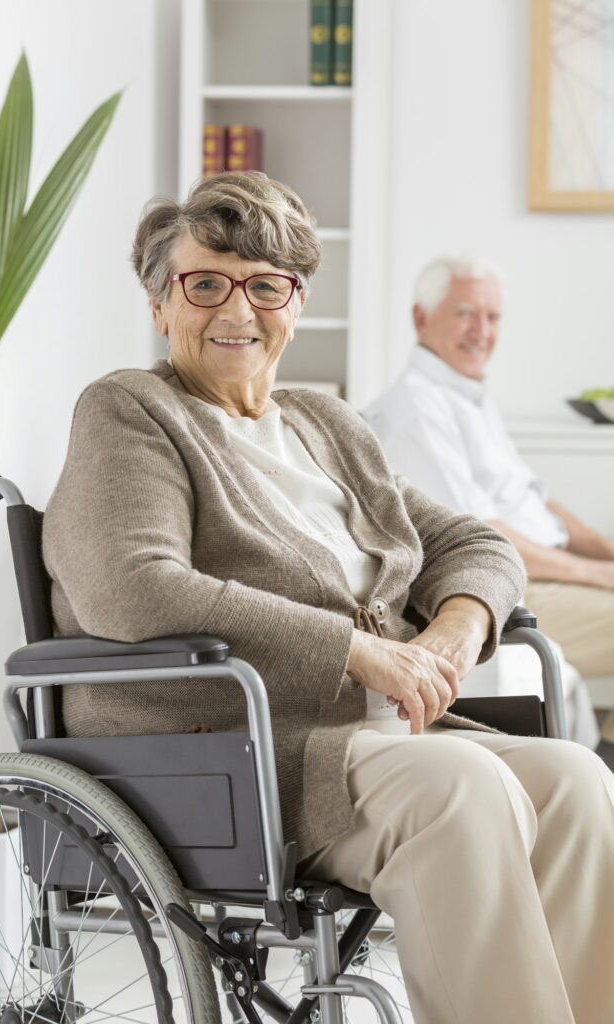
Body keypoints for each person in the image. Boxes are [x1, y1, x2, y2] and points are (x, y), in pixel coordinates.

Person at [43, 176, 614, 1024]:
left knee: (576, 779)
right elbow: (133, 586)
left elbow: (475, 545)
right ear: (162, 304)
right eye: (206, 283)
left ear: (296, 303)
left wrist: (454, 635)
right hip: (236, 747)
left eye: (265, 284)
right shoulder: (132, 411)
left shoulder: (326, 425)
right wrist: (358, 650)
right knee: (460, 786)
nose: (238, 309)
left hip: (374, 739)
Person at [363, 254, 614, 744]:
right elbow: (484, 538)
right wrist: (597, 574)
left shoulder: (469, 395)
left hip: (553, 569)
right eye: (464, 313)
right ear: (421, 318)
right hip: (515, 584)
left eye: (492, 316)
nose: (481, 331)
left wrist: (608, 555)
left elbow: (540, 505)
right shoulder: (416, 411)